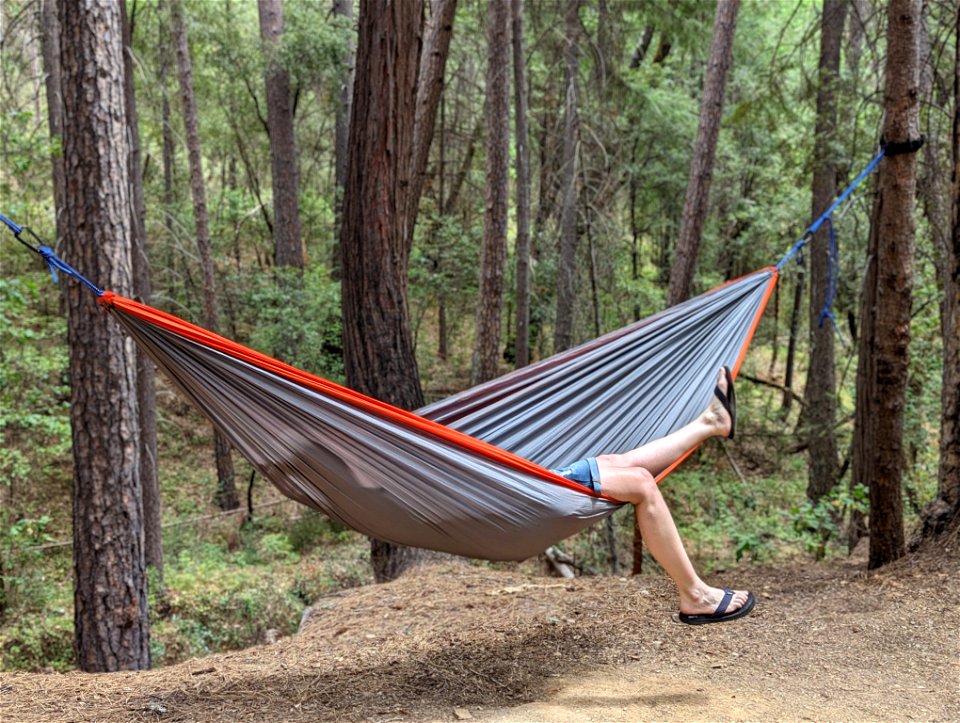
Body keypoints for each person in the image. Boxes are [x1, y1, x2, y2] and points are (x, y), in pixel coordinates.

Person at [551, 367, 755, 625]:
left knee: (613, 462)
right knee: (641, 483)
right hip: (521, 490)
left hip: (526, 483)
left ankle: (711, 422)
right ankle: (696, 595)